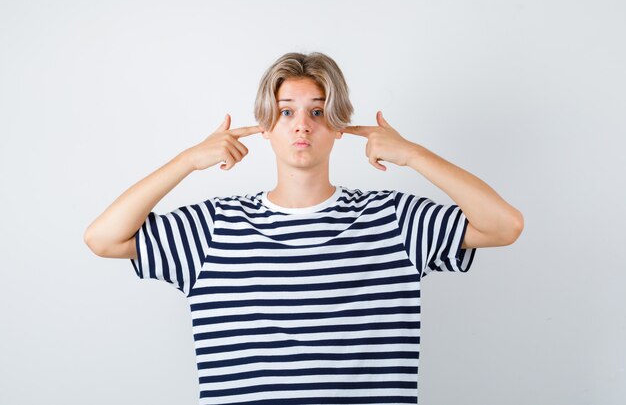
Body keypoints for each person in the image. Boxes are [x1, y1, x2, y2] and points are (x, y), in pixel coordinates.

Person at [84, 51, 523, 404]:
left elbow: (504, 226)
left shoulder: (393, 220)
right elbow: (104, 238)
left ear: (338, 127)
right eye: (286, 111)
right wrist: (187, 161)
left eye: (318, 112)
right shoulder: (213, 227)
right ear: (265, 127)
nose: (301, 125)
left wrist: (414, 155)